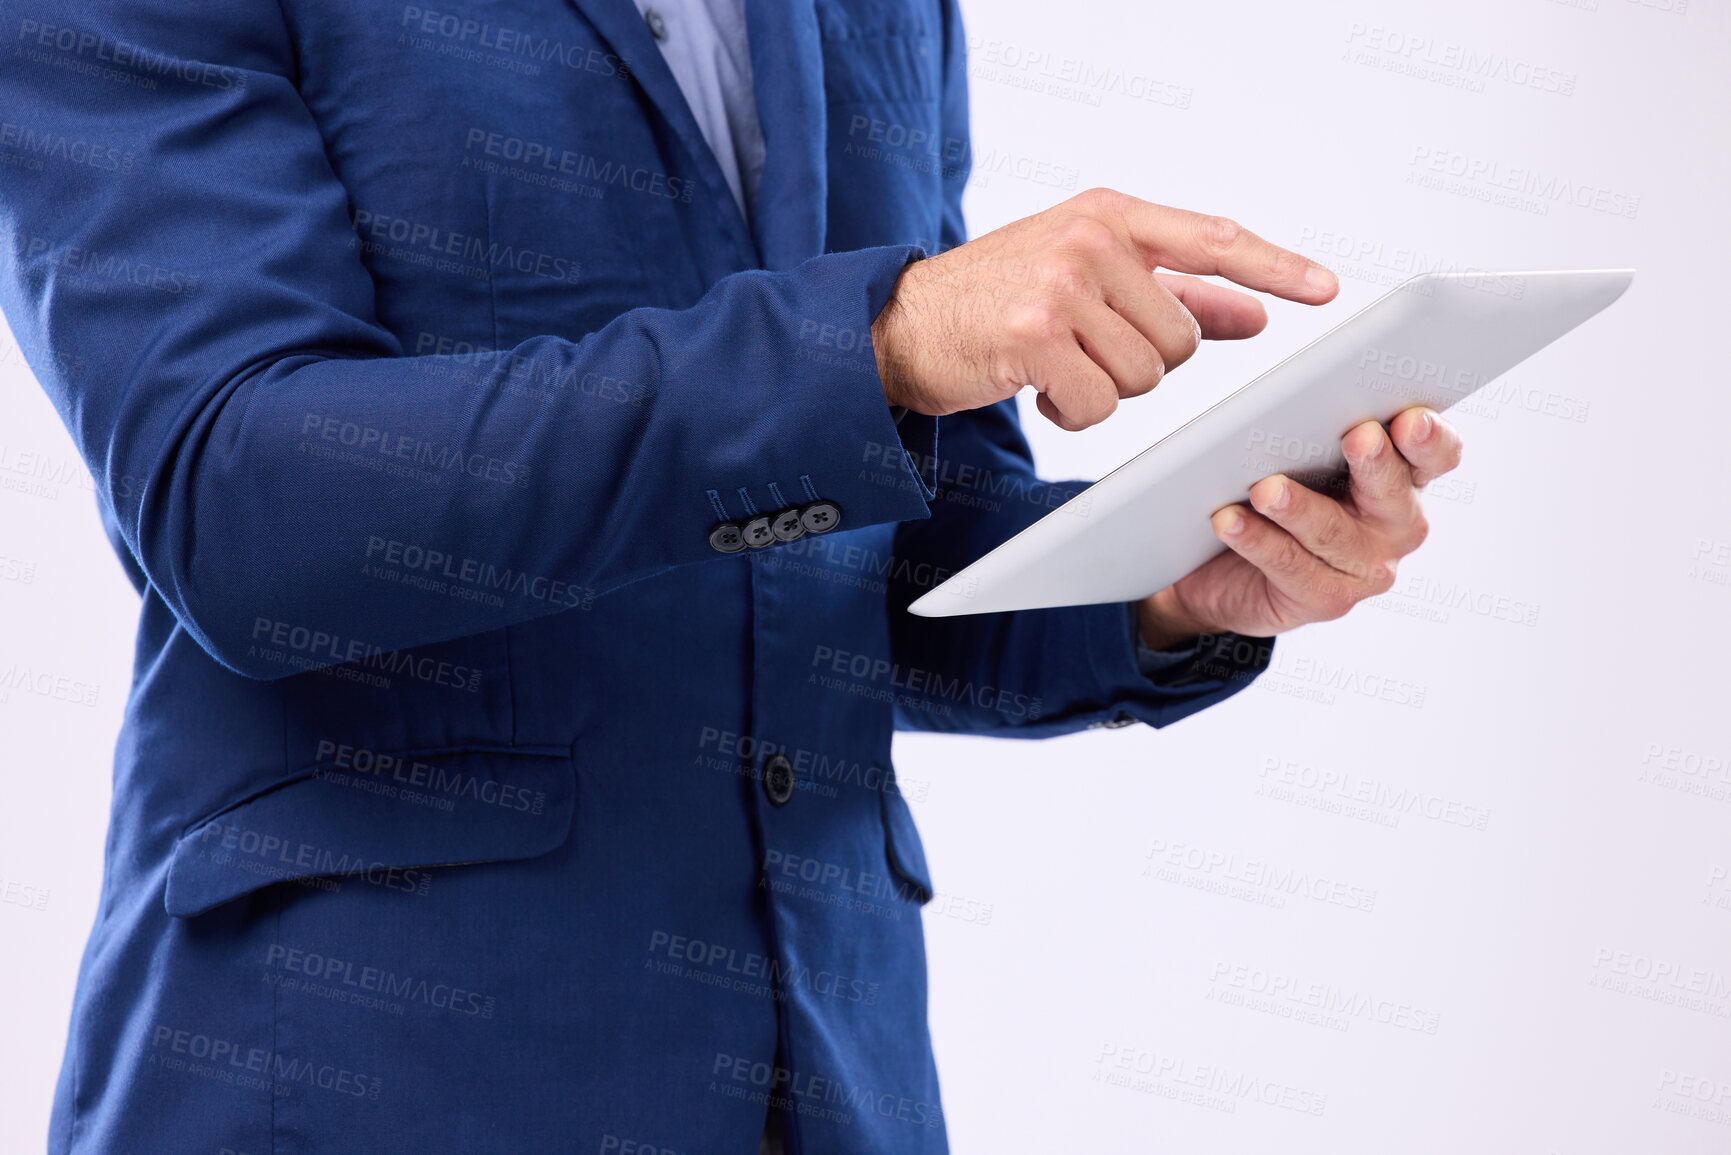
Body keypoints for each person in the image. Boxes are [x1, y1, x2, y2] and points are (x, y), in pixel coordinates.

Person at [0, 0, 1462, 1151]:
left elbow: (855, 557)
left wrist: (1164, 587)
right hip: (374, 1078)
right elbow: (242, 508)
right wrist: (875, 341)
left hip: (831, 1080)